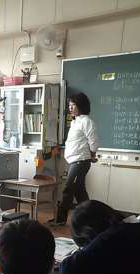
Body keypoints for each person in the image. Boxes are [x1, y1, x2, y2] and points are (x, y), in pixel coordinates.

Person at [48, 92, 99, 227]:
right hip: (75, 161)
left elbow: (93, 141)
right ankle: (91, 219)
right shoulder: (75, 122)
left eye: (73, 105)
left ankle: (60, 219)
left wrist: (92, 155)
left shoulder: (86, 121)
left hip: (80, 162)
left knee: (68, 188)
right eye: (69, 105)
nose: (70, 108)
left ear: (81, 106)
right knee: (80, 192)